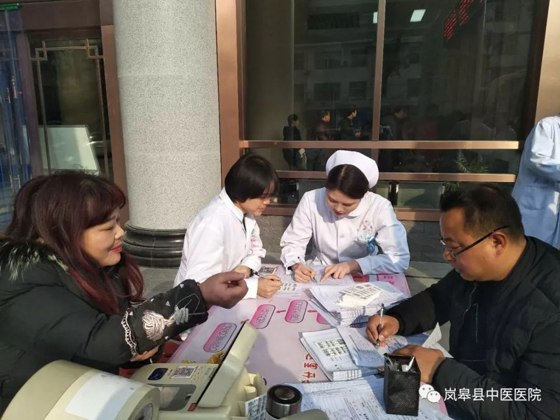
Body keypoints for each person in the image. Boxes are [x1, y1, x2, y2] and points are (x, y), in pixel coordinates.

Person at [0, 172, 247, 414]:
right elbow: (103, 339)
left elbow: (111, 334)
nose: (120, 232)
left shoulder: (96, 269)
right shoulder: (25, 281)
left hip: (83, 400)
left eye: (118, 222)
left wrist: (139, 352)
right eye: (108, 227)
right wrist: (199, 295)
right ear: (64, 234)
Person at [366, 184, 560, 419]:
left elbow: (535, 411)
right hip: (464, 393)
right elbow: (439, 298)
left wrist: (438, 370)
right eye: (445, 245)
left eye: (455, 248)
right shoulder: (476, 269)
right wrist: (397, 319)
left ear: (497, 242)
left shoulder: (550, 306)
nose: (447, 256)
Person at [280, 150, 410, 283]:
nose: (338, 209)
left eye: (348, 204)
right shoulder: (311, 199)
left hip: (363, 275)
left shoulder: (379, 207)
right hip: (319, 271)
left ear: (362, 196)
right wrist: (296, 265)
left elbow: (399, 258)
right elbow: (293, 242)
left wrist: (355, 265)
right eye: (332, 200)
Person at [174, 153, 281, 299]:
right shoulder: (212, 223)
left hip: (227, 298)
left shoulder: (246, 214)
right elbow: (201, 284)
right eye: (263, 197)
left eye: (270, 196)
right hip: (197, 305)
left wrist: (247, 267)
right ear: (243, 189)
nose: (267, 202)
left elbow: (255, 250)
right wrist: (253, 287)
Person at [512, 113, 560, 248]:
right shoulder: (547, 126)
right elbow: (536, 160)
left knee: (551, 253)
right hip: (535, 203)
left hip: (552, 206)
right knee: (527, 248)